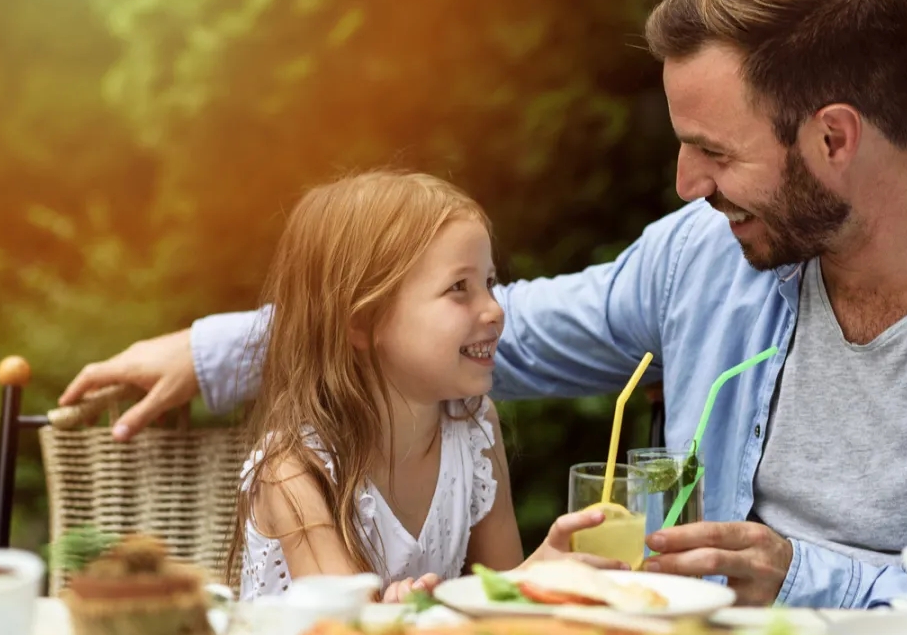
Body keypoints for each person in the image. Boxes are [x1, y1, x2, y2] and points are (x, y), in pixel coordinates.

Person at [60, 0, 907, 608]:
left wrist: (805, 577)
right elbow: (503, 330)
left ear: (834, 136)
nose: (686, 184)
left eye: (713, 151)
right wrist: (221, 348)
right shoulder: (704, 252)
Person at [219, 171, 624, 602]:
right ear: (363, 322)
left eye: (489, 283)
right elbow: (350, 629)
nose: (495, 309)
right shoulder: (294, 470)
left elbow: (501, 605)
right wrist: (395, 614)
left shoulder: (474, 426)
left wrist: (538, 577)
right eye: (459, 288)